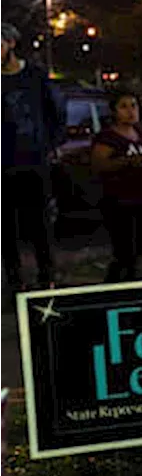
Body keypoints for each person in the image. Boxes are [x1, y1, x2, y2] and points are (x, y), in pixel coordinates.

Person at [0, 21, 64, 300]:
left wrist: (51, 143)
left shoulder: (34, 76)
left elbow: (55, 110)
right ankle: (15, 280)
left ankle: (46, 276)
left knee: (39, 223)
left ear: (10, 43)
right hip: (3, 163)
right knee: (6, 227)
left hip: (34, 160)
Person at [90, 89, 142, 282]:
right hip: (118, 200)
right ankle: (113, 286)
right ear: (114, 111)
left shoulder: (140, 133)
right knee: (123, 251)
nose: (130, 111)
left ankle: (130, 283)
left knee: (137, 251)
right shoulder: (108, 138)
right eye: (124, 106)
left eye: (134, 106)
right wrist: (127, 161)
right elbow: (98, 165)